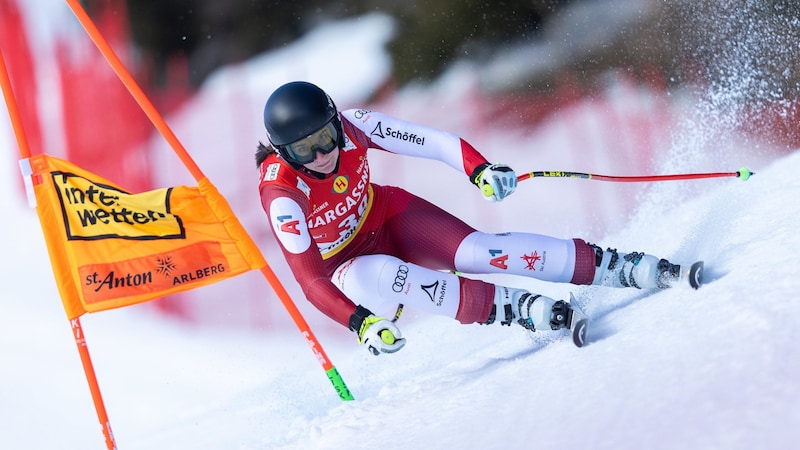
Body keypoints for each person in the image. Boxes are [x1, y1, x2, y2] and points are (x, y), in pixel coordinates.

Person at [255, 81, 690, 355]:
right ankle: (513, 308)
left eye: (326, 137)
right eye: (304, 150)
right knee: (389, 275)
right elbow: (311, 281)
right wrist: (361, 322)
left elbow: (434, 142)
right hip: (347, 269)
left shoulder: (354, 126)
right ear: (284, 153)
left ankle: (617, 266)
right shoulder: (282, 194)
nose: (323, 154)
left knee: (480, 250)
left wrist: (479, 170)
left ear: (335, 122)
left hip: (386, 216)